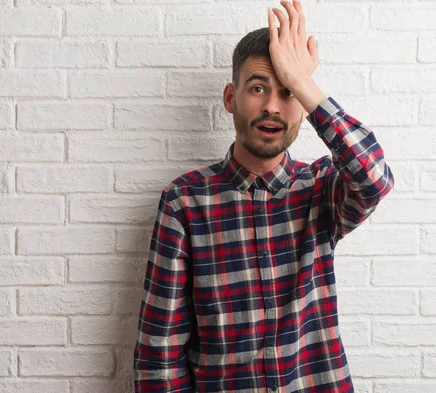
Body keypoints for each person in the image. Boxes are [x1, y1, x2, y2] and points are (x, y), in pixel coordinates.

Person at [133, 1, 394, 392]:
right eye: (258, 88)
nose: (272, 106)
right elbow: (160, 353)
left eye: (287, 92)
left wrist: (306, 84)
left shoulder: (322, 186)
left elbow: (375, 179)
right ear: (229, 98)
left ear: (303, 107)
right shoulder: (184, 202)